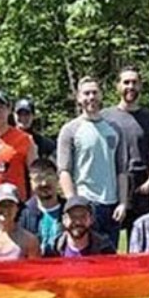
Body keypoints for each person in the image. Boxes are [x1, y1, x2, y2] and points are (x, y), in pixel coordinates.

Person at [56, 77, 130, 242]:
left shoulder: (115, 129)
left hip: (111, 205)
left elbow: (122, 170)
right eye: (86, 93)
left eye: (95, 92)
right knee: (84, 257)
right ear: (79, 98)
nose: (91, 97)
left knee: (110, 258)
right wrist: (73, 203)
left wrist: (123, 202)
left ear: (101, 95)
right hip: (85, 203)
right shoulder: (70, 130)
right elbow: (64, 171)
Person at [101, 66, 149, 221]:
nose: (130, 87)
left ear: (140, 86)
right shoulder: (105, 117)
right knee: (110, 234)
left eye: (134, 82)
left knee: (140, 232)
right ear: (118, 86)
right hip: (113, 181)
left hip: (141, 183)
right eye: (126, 82)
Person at [0, 184, 40, 262]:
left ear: (18, 208)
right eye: (1, 205)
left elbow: (35, 270)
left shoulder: (29, 241)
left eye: (10, 205)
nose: (5, 209)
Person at [42, 197, 117, 257]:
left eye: (83, 216)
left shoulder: (105, 249)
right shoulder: (53, 249)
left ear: (91, 219)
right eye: (73, 217)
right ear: (64, 220)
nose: (78, 222)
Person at [17, 158, 64, 248]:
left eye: (49, 177)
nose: (44, 183)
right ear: (30, 182)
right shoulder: (23, 214)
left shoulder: (69, 211)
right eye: (38, 179)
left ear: (57, 178)